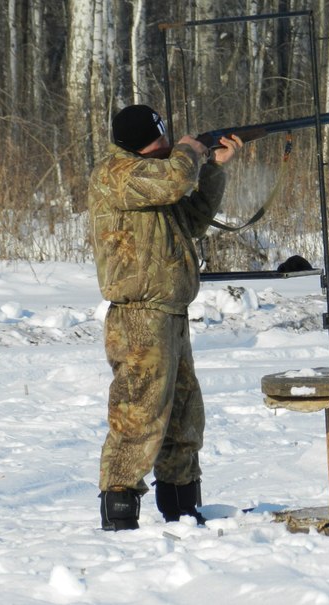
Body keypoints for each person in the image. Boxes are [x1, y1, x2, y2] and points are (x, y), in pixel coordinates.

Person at [88, 104, 242, 530]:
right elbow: (175, 177)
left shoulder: (156, 179)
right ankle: (119, 510)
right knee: (138, 414)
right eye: (159, 139)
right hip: (139, 314)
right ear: (139, 143)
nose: (167, 144)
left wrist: (212, 168)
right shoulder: (118, 174)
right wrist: (192, 152)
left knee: (184, 414)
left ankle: (181, 503)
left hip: (170, 311)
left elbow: (192, 221)